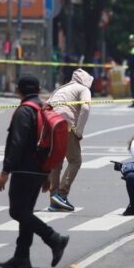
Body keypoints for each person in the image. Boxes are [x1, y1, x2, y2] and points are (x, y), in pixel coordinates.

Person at [0, 74, 69, 268]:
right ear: (37, 88)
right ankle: (22, 256)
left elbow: (17, 144)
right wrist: (47, 173)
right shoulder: (43, 108)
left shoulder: (24, 111)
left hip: (25, 169)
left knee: (17, 211)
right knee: (25, 212)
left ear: (19, 90)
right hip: (40, 168)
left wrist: (5, 172)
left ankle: (53, 238)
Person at [47, 68, 93, 212]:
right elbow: (85, 109)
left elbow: (46, 107)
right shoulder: (84, 89)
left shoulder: (60, 89)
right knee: (75, 160)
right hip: (65, 125)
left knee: (56, 162)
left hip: (50, 125)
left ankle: (54, 198)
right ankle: (61, 194)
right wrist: (78, 132)